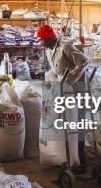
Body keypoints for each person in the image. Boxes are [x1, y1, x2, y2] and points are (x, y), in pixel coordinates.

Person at [37, 24, 90, 171]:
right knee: (64, 123)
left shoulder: (65, 47)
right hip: (62, 90)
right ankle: (66, 155)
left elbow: (84, 61)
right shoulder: (48, 51)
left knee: (77, 122)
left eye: (42, 40)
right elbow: (54, 69)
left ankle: (80, 157)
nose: (41, 43)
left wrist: (70, 77)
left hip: (76, 89)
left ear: (49, 38)